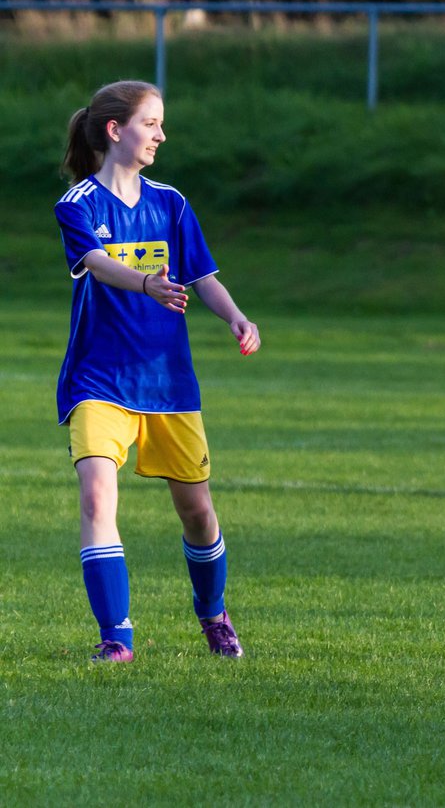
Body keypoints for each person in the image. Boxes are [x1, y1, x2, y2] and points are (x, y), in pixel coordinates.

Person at [55, 80, 261, 663]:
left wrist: (235, 317)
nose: (161, 136)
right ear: (116, 131)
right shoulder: (79, 204)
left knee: (197, 511)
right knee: (97, 497)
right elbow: (95, 261)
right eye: (152, 124)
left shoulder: (170, 202)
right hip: (99, 379)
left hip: (167, 381)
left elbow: (201, 275)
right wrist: (144, 281)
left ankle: (213, 615)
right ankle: (116, 638)